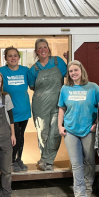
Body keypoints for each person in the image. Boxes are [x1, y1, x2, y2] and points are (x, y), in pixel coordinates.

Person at [58, 60, 99, 197]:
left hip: (88, 130)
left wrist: (96, 124)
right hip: (70, 130)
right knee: (76, 164)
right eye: (71, 71)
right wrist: (60, 126)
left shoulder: (93, 87)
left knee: (89, 161)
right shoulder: (65, 88)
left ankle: (88, 191)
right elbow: (61, 108)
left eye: (75, 70)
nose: (73, 73)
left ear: (81, 70)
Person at [29, 38, 67, 171]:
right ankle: (46, 160)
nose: (43, 50)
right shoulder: (33, 69)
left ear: (48, 49)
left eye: (45, 47)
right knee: (43, 132)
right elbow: (32, 86)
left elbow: (70, 75)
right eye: (40, 48)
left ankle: (46, 160)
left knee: (56, 132)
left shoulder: (58, 62)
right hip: (40, 105)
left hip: (58, 103)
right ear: (36, 51)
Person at [0, 46, 33, 172]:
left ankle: (18, 159)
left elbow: (33, 85)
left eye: (15, 55)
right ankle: (11, 161)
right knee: (13, 136)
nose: (13, 58)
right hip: (10, 112)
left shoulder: (25, 70)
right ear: (6, 58)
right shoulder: (0, 71)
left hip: (24, 110)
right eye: (10, 56)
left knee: (21, 136)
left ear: (19, 57)